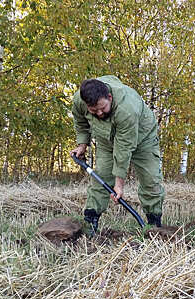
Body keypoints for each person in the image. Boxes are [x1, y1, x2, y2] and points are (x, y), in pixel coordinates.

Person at [70, 75, 165, 233]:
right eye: (94, 110)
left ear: (110, 97)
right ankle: (90, 224)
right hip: (107, 141)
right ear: (86, 104)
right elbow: (80, 122)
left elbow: (123, 149)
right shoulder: (79, 100)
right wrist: (82, 144)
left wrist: (119, 185)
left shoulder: (127, 109)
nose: (99, 113)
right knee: (100, 178)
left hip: (143, 140)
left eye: (103, 108)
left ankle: (154, 225)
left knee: (151, 181)